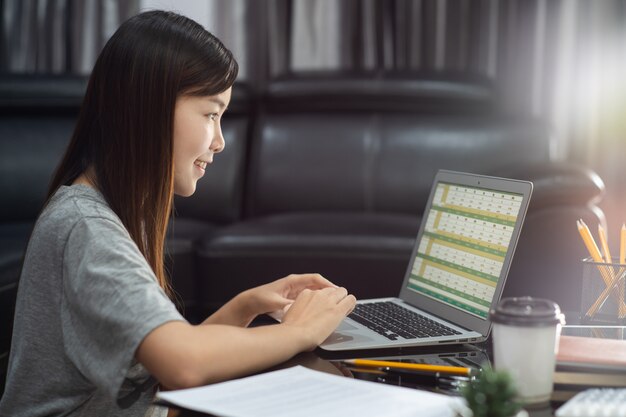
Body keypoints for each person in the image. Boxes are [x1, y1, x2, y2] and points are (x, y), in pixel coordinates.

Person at [0, 10, 356, 417]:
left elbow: (158, 373)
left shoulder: (103, 212)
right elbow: (183, 365)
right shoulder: (86, 229)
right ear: (147, 108)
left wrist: (244, 307)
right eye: (210, 114)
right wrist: (301, 332)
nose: (220, 141)